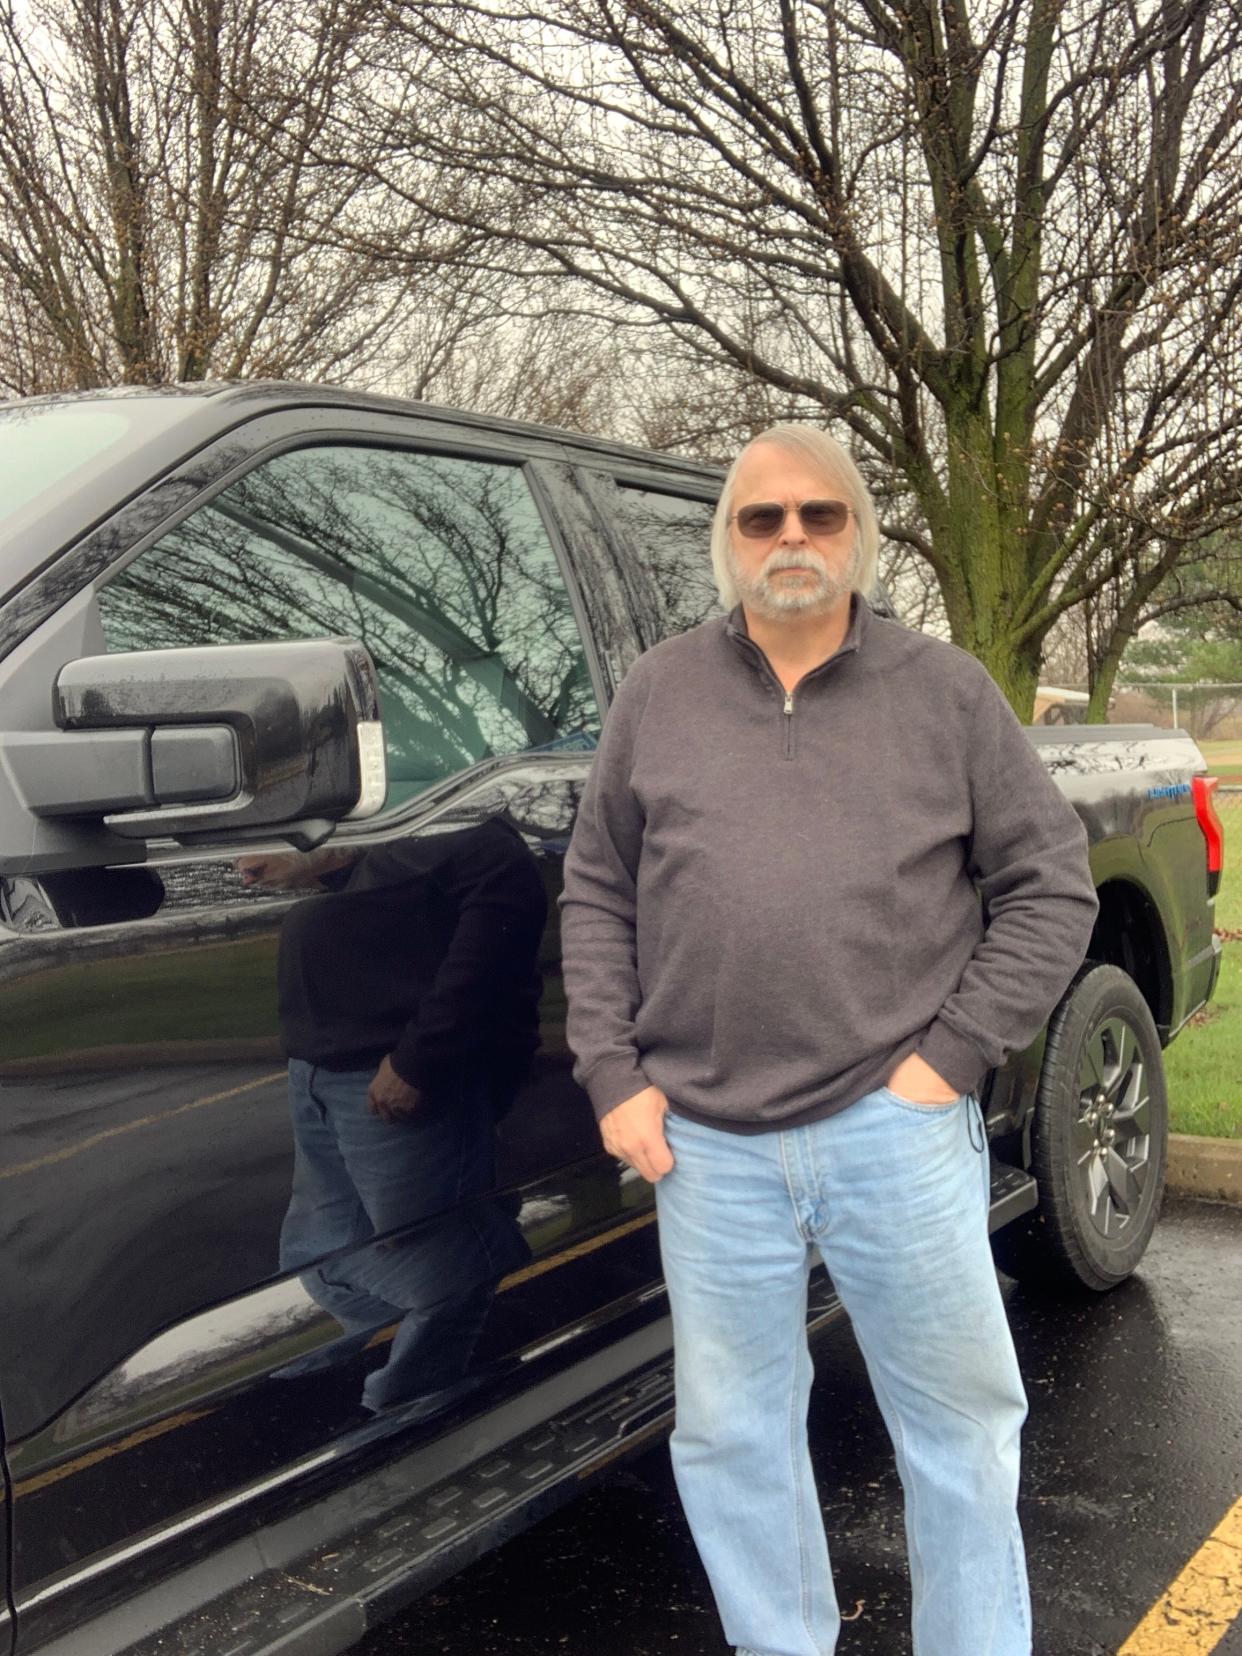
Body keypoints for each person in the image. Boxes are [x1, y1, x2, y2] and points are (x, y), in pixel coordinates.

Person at [557, 425, 1100, 1656]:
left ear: (858, 535)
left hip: (892, 1130)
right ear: (728, 542)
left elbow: (1052, 888)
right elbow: (596, 894)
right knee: (733, 1438)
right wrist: (614, 1077)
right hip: (704, 1147)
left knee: (956, 1431)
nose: (790, 538)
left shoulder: (946, 693)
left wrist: (945, 1065)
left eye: (819, 515)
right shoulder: (658, 693)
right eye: (761, 519)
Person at [238, 815, 545, 1417]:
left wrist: (422, 1058)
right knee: (321, 1251)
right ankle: (380, 1354)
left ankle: (419, 1411)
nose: (244, 870)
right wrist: (329, 863)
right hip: (321, 1073)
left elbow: (497, 913)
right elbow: (393, 912)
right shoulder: (385, 847)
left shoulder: (450, 820)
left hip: (393, 1078)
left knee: (439, 1260)